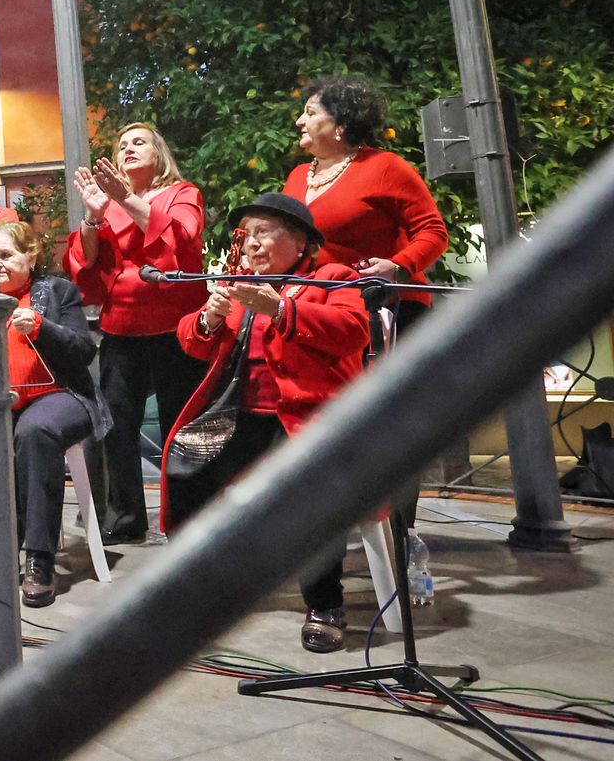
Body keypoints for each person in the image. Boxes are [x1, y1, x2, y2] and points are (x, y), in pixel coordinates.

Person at [163, 193, 370, 653]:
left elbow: (352, 330)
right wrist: (209, 317)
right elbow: (192, 342)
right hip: (242, 414)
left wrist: (279, 309)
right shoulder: (237, 284)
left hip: (308, 417)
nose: (251, 243)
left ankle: (325, 604)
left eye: (264, 232)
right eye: (247, 234)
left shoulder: (332, 277)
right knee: (187, 461)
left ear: (300, 242)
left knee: (309, 487)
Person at [64, 123, 207, 545]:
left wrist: (123, 198)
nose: (127, 148)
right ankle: (125, 518)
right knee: (115, 426)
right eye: (122, 144)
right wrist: (93, 214)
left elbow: (183, 236)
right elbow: (87, 261)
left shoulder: (183, 192)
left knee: (180, 427)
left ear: (159, 154)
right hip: (121, 327)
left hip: (176, 326)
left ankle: (186, 519)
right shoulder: (110, 203)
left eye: (138, 142)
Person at [282, 75, 449, 337]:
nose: (299, 121)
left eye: (310, 113)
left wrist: (397, 267)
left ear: (341, 124)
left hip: (387, 311)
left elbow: (434, 232)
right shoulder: (296, 176)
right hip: (317, 313)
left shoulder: (385, 167)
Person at [0, 222, 110, 607]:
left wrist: (42, 328)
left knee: (36, 431)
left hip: (62, 395)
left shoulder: (59, 292)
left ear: (32, 256)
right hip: (1, 401)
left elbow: (83, 351)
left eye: (6, 255)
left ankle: (38, 558)